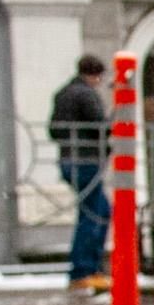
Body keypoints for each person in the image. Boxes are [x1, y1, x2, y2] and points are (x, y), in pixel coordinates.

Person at [49, 54, 112, 289]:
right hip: (86, 161)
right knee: (93, 214)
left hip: (69, 160)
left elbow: (54, 130)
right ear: (95, 75)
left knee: (100, 210)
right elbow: (101, 128)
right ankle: (84, 270)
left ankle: (87, 268)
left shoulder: (64, 93)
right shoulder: (85, 94)